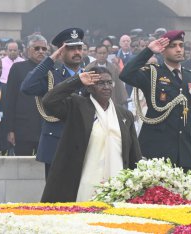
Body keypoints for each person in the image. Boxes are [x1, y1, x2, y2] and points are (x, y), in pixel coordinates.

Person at [41, 66, 141, 202]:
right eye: (100, 83)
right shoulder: (77, 106)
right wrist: (77, 80)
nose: (106, 87)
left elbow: (133, 154)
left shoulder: (125, 115)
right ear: (89, 87)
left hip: (118, 183)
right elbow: (48, 101)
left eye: (109, 82)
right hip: (83, 181)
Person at [120, 30, 191, 172]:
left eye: (181, 45)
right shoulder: (152, 73)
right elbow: (126, 74)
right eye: (173, 46)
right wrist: (149, 51)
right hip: (157, 151)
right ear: (163, 51)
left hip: (184, 152)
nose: (178, 49)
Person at [21, 28, 84, 178]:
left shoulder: (92, 75)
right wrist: (49, 60)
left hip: (83, 141)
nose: (76, 52)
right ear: (61, 52)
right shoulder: (51, 76)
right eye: (70, 48)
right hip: (57, 142)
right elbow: (27, 87)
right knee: (55, 196)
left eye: (79, 48)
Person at [5, 34, 47, 156]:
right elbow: (10, 100)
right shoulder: (18, 68)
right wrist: (10, 129)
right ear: (28, 50)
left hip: (46, 127)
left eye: (44, 49)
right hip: (23, 128)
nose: (41, 51)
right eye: (37, 48)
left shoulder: (53, 68)